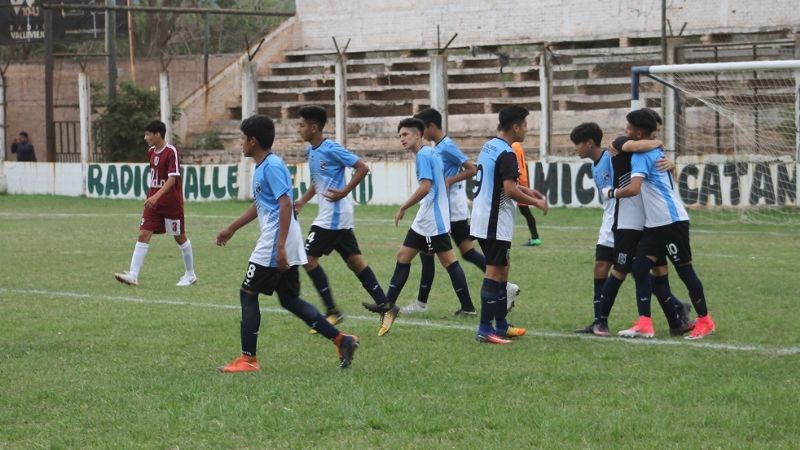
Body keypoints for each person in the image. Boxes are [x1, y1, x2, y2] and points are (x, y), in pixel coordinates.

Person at [216, 114, 359, 372]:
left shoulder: (272, 166)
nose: (240, 143)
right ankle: (342, 339)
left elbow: (284, 204)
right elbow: (262, 205)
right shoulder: (264, 166)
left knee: (247, 292)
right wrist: (232, 228)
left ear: (252, 140)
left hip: (275, 241)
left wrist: (280, 247)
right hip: (282, 239)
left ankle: (248, 360)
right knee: (289, 299)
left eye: (242, 139)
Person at [605, 109, 716, 340]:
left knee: (685, 272)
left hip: (671, 221)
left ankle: (705, 320)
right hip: (654, 225)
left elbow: (635, 188)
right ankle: (645, 322)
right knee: (639, 268)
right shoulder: (651, 149)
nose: (625, 131)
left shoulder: (643, 154)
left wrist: (611, 193)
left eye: (628, 127)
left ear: (638, 132)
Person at [361, 118, 476, 336]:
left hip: (433, 219)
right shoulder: (431, 153)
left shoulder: (424, 155)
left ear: (417, 135)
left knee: (448, 260)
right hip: (428, 216)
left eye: (405, 135)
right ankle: (388, 305)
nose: (402, 139)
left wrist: (404, 206)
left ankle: (468, 307)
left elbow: (426, 187)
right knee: (403, 256)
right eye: (400, 136)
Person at [401, 107, 519, 315]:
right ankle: (494, 290)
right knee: (465, 252)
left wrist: (448, 180)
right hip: (447, 208)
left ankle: (425, 303)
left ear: (430, 127)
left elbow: (471, 168)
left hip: (451, 209)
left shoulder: (446, 146)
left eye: (420, 127)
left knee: (435, 255)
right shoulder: (437, 147)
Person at [293, 106, 389, 332]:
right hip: (334, 215)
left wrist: (345, 191)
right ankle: (386, 305)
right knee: (355, 262)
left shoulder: (331, 148)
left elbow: (362, 168)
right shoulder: (312, 151)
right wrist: (303, 201)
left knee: (308, 259)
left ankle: (331, 312)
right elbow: (318, 181)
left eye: (302, 125)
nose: (299, 128)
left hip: (334, 215)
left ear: (314, 127)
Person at [470, 106, 548, 344]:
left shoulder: (490, 146)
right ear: (515, 127)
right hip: (494, 222)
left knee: (502, 269)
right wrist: (535, 201)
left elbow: (502, 182)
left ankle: (501, 325)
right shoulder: (507, 153)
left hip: (485, 218)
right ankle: (485, 328)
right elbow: (509, 190)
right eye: (525, 125)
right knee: (494, 272)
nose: (527, 129)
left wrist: (527, 189)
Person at [114, 120, 196, 287]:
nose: (145, 137)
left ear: (158, 134)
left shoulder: (171, 151)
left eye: (148, 134)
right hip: (153, 203)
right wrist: (153, 197)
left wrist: (156, 196)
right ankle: (133, 275)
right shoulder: (151, 152)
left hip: (170, 203)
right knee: (143, 234)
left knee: (179, 237)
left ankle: (190, 274)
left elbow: (172, 179)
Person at [569, 122, 615, 333]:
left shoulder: (611, 158)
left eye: (577, 144)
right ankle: (599, 321)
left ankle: (676, 307)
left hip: (623, 223)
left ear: (589, 143)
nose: (575, 148)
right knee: (600, 267)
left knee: (635, 271)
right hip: (609, 223)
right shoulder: (595, 164)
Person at [511, 142, 542, 246]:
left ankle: (535, 238)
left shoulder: (513, 146)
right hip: (521, 180)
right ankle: (535, 237)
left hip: (518, 181)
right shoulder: (516, 145)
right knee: (525, 212)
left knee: (525, 212)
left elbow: (515, 163)